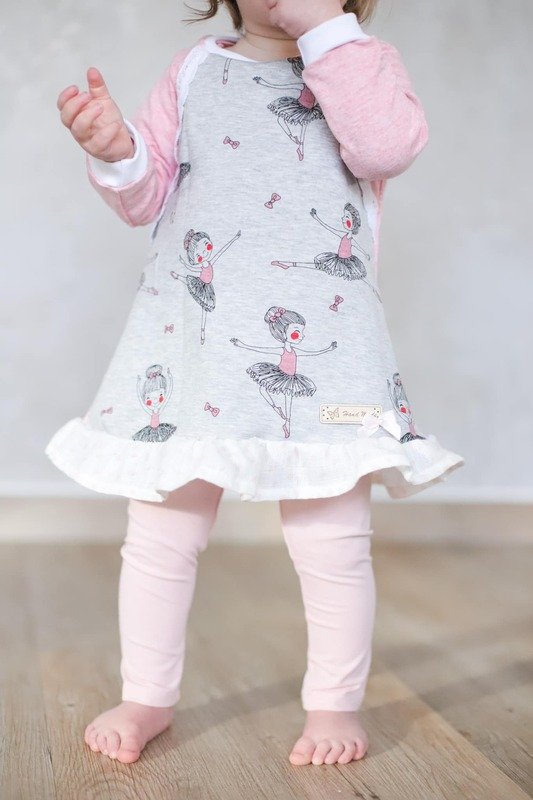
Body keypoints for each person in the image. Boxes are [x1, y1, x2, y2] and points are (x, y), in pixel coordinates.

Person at [48, 0, 464, 767]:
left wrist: (327, 31)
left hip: (329, 357)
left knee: (331, 541)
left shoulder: (360, 61)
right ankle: (146, 694)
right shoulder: (195, 69)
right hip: (193, 343)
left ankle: (333, 702)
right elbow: (146, 198)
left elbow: (383, 146)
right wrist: (117, 152)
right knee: (160, 533)